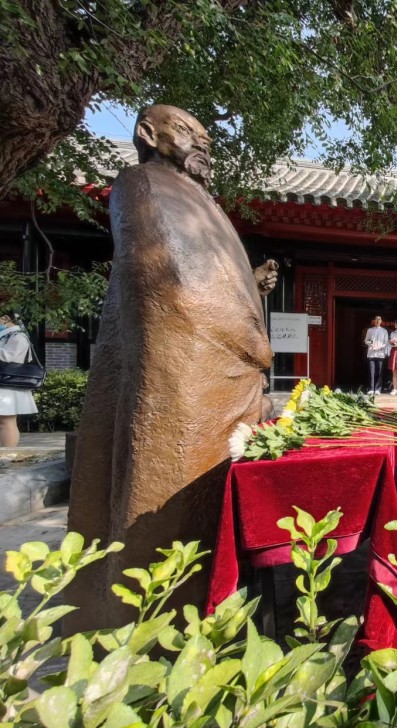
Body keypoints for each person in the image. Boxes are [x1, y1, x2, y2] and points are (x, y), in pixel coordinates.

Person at [66, 105, 277, 634]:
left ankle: (211, 611)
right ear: (148, 134)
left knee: (213, 511)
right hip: (186, 375)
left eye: (205, 137)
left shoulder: (196, 196)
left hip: (224, 368)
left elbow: (201, 269)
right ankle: (156, 630)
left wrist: (248, 283)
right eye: (188, 133)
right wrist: (249, 335)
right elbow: (169, 276)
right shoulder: (141, 184)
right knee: (172, 508)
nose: (201, 145)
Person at [0, 315, 39, 448]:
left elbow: (6, 356)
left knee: (6, 421)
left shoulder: (18, 337)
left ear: (5, 318)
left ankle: (8, 455)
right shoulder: (6, 335)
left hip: (7, 385)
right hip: (4, 384)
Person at [364, 316, 389, 394]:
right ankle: (371, 388)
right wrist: (370, 343)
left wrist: (380, 347)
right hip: (371, 353)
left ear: (381, 321)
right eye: (376, 319)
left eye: (379, 320)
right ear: (374, 321)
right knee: (372, 371)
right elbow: (366, 340)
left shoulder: (384, 331)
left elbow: (386, 342)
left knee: (380, 372)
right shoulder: (370, 330)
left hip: (380, 353)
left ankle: (378, 389)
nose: (377, 321)